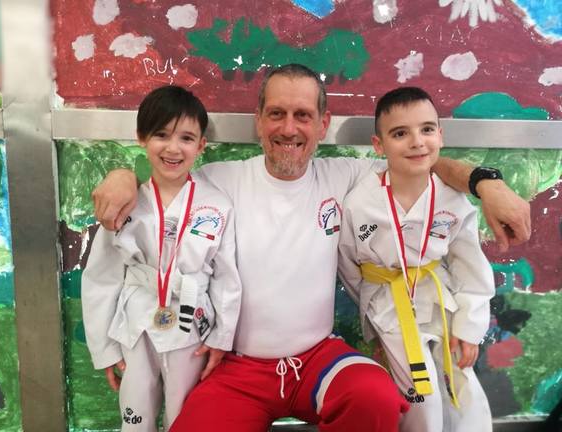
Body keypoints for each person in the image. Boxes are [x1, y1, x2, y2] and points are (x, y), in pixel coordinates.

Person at [92, 64, 531, 431]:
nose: (288, 128)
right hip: (239, 369)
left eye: (302, 115)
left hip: (319, 357)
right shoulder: (217, 181)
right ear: (258, 120)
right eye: (276, 114)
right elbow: (164, 182)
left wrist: (486, 183)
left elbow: (425, 163)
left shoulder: (346, 176)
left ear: (322, 123)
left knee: (375, 398)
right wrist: (122, 177)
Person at [81, 85, 241, 432]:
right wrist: (104, 349)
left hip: (192, 327)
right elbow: (101, 276)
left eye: (186, 138)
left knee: (187, 416)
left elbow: (226, 277)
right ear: (141, 138)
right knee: (135, 414)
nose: (173, 148)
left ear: (201, 145)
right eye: (161, 135)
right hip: (135, 325)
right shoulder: (124, 203)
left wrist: (221, 338)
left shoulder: (217, 205)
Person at [338, 87, 494, 432]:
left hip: (440, 300)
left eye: (426, 129)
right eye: (400, 133)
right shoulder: (360, 203)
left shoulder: (453, 200)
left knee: (462, 383)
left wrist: (469, 326)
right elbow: (349, 266)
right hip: (388, 306)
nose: (417, 142)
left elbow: (470, 266)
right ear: (379, 145)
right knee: (423, 396)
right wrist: (370, 314)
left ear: (440, 135)